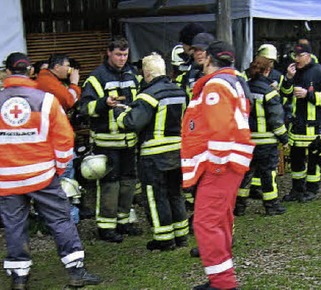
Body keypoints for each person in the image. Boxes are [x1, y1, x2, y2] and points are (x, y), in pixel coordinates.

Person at [0, 52, 101, 288]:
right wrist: (60, 168)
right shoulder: (46, 100)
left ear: (8, 72)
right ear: (30, 71)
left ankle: (19, 277)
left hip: (8, 179)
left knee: (14, 225)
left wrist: (5, 153)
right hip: (42, 176)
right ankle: (76, 271)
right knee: (60, 220)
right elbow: (65, 139)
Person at [181, 41, 254, 290]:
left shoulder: (216, 84)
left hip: (221, 164)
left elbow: (221, 128)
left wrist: (218, 164)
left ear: (209, 60)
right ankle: (220, 280)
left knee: (206, 222)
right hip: (231, 162)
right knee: (220, 220)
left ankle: (223, 284)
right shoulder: (234, 82)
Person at [114, 53, 189, 251]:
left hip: (154, 156)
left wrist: (120, 113)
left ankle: (164, 239)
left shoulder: (147, 95)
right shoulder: (179, 91)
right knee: (175, 193)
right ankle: (181, 235)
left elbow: (132, 122)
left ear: (146, 73)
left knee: (156, 196)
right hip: (178, 152)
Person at [79, 38, 142, 242]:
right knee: (109, 184)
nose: (122, 59)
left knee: (128, 182)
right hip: (106, 142)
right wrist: (103, 103)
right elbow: (84, 108)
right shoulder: (96, 78)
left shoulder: (132, 74)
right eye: (118, 55)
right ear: (108, 53)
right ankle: (106, 227)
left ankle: (123, 222)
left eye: (125, 55)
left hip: (129, 141)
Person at [234, 52, 289, 216]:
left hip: (247, 141)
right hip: (266, 142)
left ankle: (239, 206)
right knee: (268, 174)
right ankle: (271, 205)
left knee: (245, 174)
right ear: (267, 71)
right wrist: (284, 139)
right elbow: (276, 120)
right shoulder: (269, 92)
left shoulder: (243, 89)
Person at [281, 43, 321, 201]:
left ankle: (312, 190)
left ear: (308, 56)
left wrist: (308, 95)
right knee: (296, 160)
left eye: (300, 56)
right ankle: (297, 190)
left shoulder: (320, 72)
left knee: (314, 160)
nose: (296, 59)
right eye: (295, 56)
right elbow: (284, 95)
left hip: (315, 127)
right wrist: (288, 79)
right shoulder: (293, 72)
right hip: (297, 125)